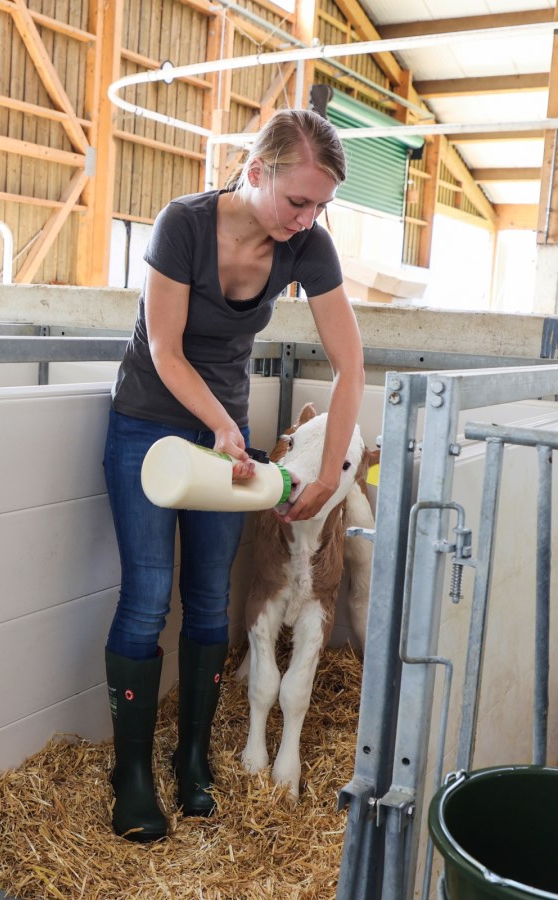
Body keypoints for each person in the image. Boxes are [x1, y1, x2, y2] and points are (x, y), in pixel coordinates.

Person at [103, 107, 365, 842]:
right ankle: (131, 774)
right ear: (255, 172)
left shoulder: (307, 244)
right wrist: (223, 426)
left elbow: (350, 365)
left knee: (210, 598)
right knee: (147, 596)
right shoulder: (182, 224)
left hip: (225, 436)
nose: (307, 219)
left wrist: (332, 472)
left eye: (320, 206)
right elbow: (164, 349)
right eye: (298, 200)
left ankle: (191, 758)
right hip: (149, 421)